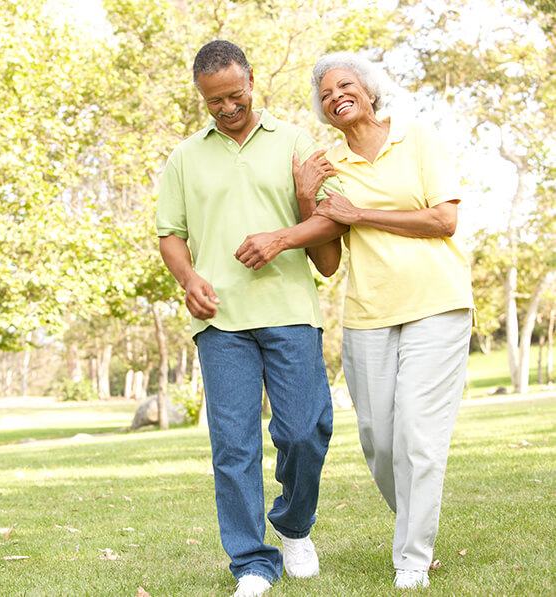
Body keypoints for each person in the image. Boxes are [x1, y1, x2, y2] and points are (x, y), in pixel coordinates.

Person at [242, 51, 474, 589]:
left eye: (344, 85)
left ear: (369, 91)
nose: (335, 96)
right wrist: (306, 198)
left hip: (437, 304)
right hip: (369, 314)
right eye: (324, 94)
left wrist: (361, 214)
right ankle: (416, 523)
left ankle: (412, 558)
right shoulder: (331, 168)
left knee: (417, 435)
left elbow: (444, 219)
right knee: (380, 442)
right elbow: (327, 263)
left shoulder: (415, 138)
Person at [156, 40, 345, 597]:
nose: (226, 108)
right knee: (233, 447)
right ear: (202, 98)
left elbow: (332, 228)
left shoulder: (295, 142)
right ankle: (252, 564)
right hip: (221, 324)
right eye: (213, 101)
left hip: (289, 311)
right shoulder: (184, 157)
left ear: (252, 81)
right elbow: (171, 234)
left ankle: (292, 523)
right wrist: (189, 281)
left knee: (305, 430)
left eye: (234, 95)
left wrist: (286, 228)